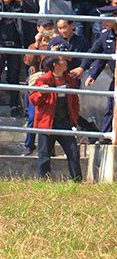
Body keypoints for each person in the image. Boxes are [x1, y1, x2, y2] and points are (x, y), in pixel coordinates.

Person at [29, 54, 83, 182]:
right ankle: (44, 180)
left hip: (65, 121)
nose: (66, 62)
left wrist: (74, 116)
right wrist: (42, 93)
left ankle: (76, 180)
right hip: (48, 122)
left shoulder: (69, 79)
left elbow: (74, 100)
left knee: (73, 152)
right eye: (63, 60)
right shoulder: (43, 80)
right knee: (44, 154)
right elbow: (33, 100)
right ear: (55, 64)